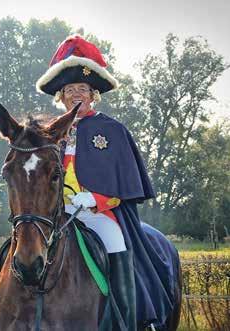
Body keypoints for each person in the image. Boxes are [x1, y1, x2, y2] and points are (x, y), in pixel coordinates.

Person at [36, 35, 176, 330]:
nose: (77, 94)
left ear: (93, 94)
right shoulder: (49, 132)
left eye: (83, 89)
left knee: (114, 242)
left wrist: (94, 200)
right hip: (55, 216)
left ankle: (132, 318)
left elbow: (123, 187)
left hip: (97, 214)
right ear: (60, 96)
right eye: (70, 89)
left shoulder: (112, 130)